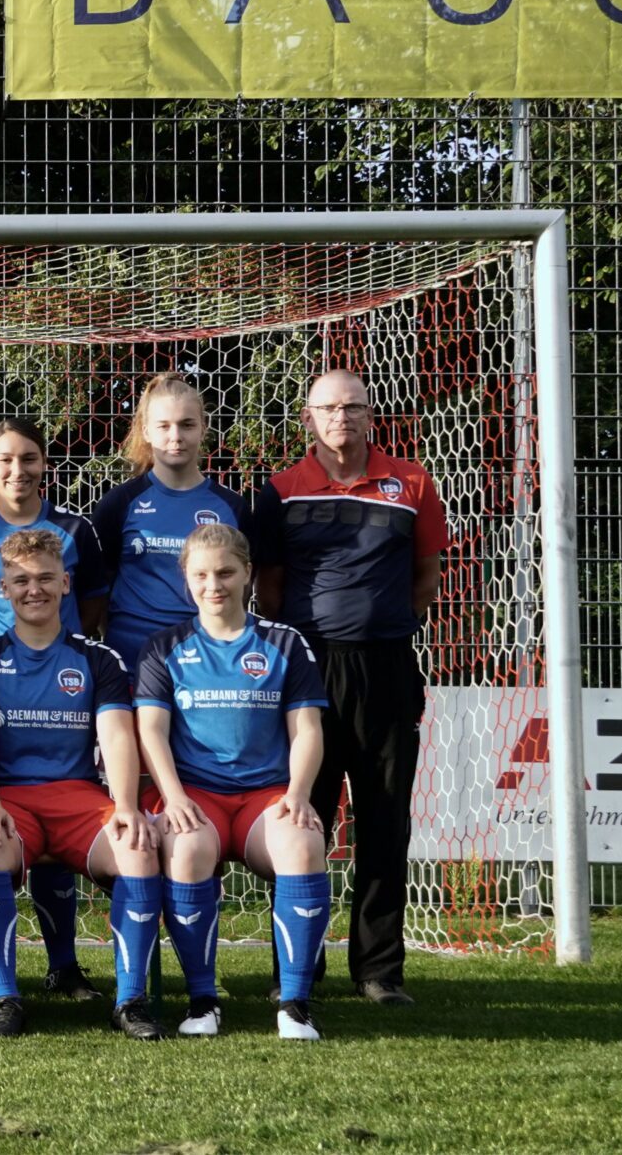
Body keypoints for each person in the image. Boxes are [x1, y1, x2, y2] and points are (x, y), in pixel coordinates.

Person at [268, 368, 445, 1006]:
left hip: (386, 670)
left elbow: (426, 578)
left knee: (384, 820)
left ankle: (378, 971)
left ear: (370, 415)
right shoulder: (280, 491)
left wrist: (379, 627)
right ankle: (298, 969)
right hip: (308, 672)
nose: (340, 417)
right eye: (328, 408)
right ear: (308, 419)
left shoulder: (413, 484)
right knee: (301, 820)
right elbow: (269, 588)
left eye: (352, 407)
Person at [0, 529, 170, 1041]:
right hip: (9, 798)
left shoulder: (98, 659)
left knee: (137, 847)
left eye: (46, 578)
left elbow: (117, 736)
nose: (34, 589)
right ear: (3, 588)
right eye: (21, 580)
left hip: (77, 797)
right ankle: (6, 998)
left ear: (66, 583)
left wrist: (125, 805)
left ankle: (130, 1002)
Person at [0, 418, 111, 1002]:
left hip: (53, 692)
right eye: (5, 459)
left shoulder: (75, 530)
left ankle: (64, 965)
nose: (18, 470)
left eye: (28, 458)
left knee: (54, 804)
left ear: (43, 463)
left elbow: (93, 607)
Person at [136, 524, 336, 1040]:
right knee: (186, 849)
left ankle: (295, 1004)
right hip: (194, 795)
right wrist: (173, 797)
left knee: (303, 843)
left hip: (265, 797)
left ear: (247, 572)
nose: (214, 585)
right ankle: (203, 1001)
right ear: (185, 578)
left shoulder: (284, 642)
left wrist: (298, 794)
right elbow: (151, 732)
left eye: (225, 572)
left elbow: (307, 729)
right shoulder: (164, 647)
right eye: (201, 575)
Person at [93, 373, 282, 670]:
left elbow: (241, 592)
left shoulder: (233, 508)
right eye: (164, 426)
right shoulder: (118, 504)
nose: (176, 436)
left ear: (203, 428)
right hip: (133, 662)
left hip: (207, 666)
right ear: (146, 431)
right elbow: (98, 591)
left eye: (187, 424)